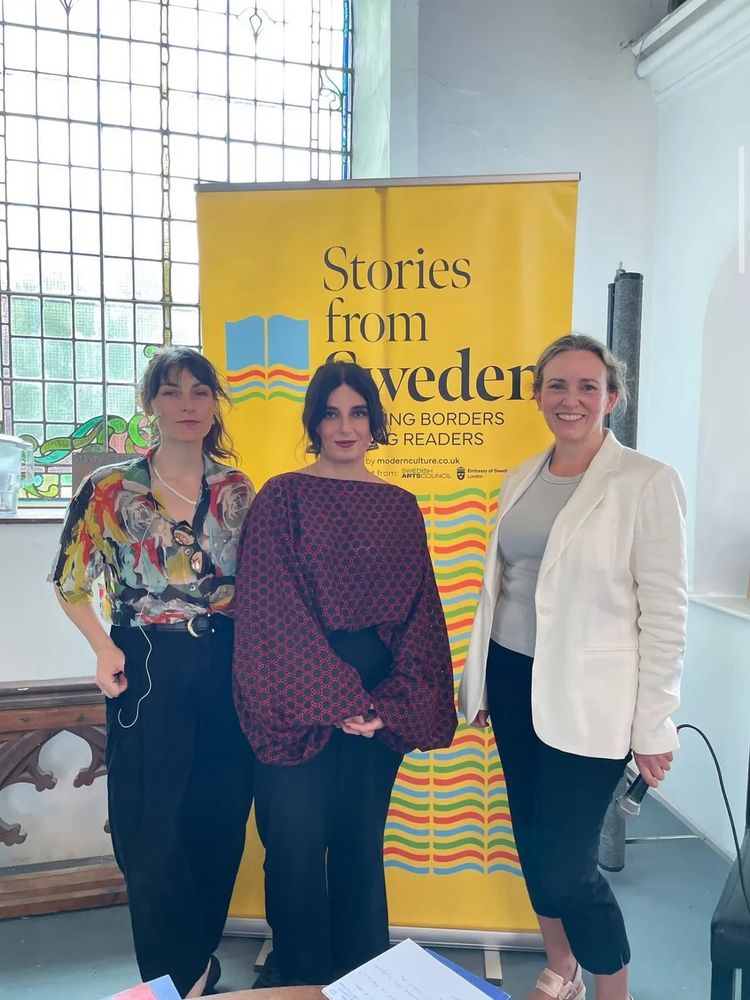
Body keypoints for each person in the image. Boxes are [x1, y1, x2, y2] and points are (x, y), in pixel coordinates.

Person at [459, 334, 687, 1000]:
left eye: (588, 386)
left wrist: (655, 724)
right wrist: (479, 681)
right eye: (558, 385)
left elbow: (666, 615)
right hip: (511, 676)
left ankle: (613, 988)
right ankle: (563, 969)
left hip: (593, 699)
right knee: (531, 843)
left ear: (611, 398)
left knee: (567, 869)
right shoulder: (523, 474)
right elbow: (498, 587)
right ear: (538, 395)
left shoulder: (646, 482)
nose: (572, 399)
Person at [232, 360, 457, 988]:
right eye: (331, 412)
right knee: (296, 846)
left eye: (358, 412)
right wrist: (338, 697)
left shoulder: (400, 506)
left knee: (360, 845)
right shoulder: (282, 496)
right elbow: (269, 607)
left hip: (377, 703)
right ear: (313, 420)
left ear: (374, 421)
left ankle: (364, 975)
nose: (345, 425)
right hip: (293, 693)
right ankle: (300, 974)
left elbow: (421, 613)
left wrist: (390, 703)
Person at [51, 347, 255, 999]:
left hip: (226, 661)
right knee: (149, 826)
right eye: (172, 393)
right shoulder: (109, 488)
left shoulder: (235, 489)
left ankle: (196, 962)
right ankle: (173, 974)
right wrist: (101, 649)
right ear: (150, 404)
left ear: (214, 403)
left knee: (219, 816)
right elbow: (69, 581)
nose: (187, 405)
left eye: (200, 392)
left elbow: (258, 584)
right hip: (144, 662)